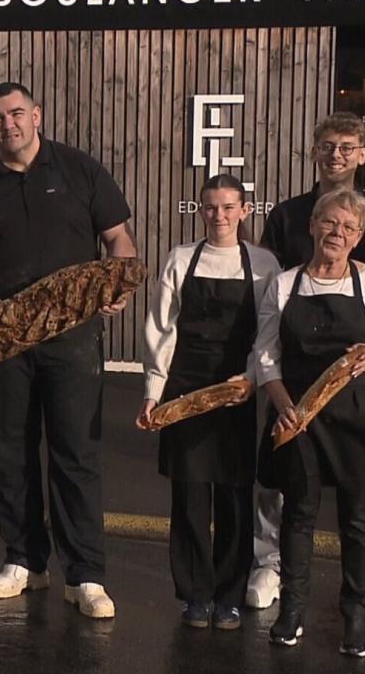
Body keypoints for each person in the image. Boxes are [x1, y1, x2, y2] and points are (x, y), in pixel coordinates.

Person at [0, 81, 136, 618]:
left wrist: (113, 285)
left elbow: (118, 239)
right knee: (8, 452)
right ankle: (24, 560)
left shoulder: (79, 170)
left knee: (75, 453)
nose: (8, 125)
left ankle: (85, 575)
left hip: (70, 336)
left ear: (36, 115)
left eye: (16, 114)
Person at [248, 112, 365, 621]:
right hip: (296, 374)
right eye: (327, 145)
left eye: (347, 147)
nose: (336, 155)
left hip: (357, 381)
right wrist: (274, 381)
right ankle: (269, 564)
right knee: (282, 483)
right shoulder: (287, 214)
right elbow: (267, 279)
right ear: (314, 151)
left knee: (362, 490)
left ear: (363, 155)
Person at [136, 175, 280, 630]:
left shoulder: (263, 265)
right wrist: (153, 393)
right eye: (211, 207)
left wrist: (252, 379)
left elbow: (269, 332)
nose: (219, 215)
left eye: (228, 207)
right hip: (185, 386)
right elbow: (161, 329)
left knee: (235, 495)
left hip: (237, 389)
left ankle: (229, 595)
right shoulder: (181, 259)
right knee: (190, 494)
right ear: (200, 211)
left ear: (245, 211)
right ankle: (195, 594)